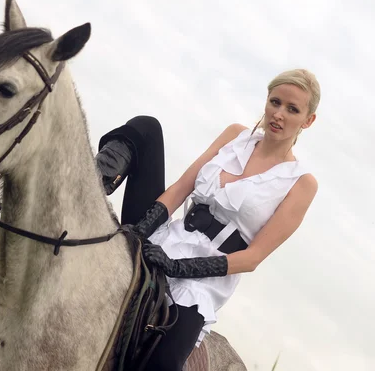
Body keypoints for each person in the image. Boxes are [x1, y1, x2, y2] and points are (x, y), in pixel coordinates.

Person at [95, 69, 320, 371]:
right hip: (163, 235)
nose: (279, 114)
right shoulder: (234, 136)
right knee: (146, 128)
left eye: (292, 109)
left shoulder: (301, 183)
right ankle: (90, 182)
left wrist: (177, 268)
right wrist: (140, 231)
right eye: (275, 102)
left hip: (204, 280)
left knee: (164, 362)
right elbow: (179, 190)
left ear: (308, 120)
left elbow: (252, 258)